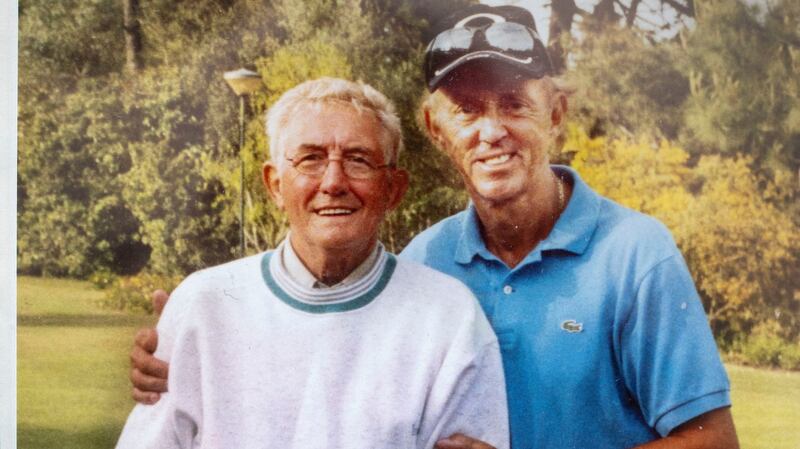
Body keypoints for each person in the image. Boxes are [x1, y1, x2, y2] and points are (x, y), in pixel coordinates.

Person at [130, 5, 740, 449]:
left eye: (514, 104)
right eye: (468, 110)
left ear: (556, 112)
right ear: (435, 127)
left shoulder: (636, 254)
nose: (491, 130)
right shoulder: (426, 260)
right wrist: (184, 348)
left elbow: (714, 442)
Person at [116, 77, 509, 449]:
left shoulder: (448, 316)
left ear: (393, 189)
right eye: (310, 159)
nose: (334, 182)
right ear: (274, 184)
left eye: (359, 160)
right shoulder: (204, 303)